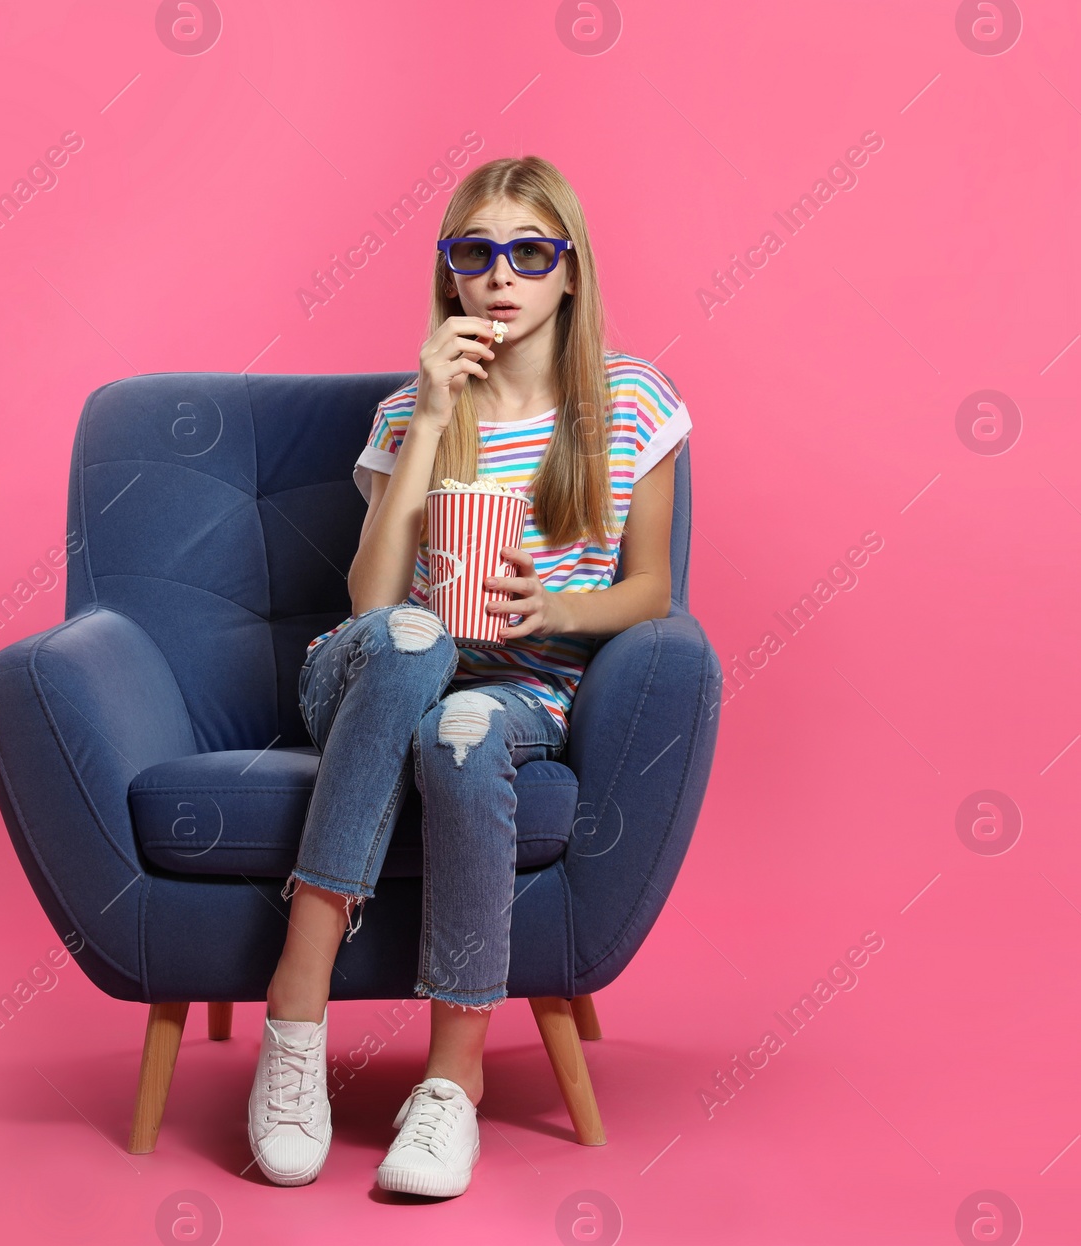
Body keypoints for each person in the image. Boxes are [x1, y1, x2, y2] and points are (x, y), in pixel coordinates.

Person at [247, 155, 693, 1197]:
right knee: (411, 640)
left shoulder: (629, 402)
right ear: (447, 273)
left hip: (518, 692)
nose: (502, 276)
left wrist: (559, 610)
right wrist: (435, 423)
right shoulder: (415, 407)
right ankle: (295, 1011)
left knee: (465, 731)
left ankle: (451, 1086)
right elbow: (367, 598)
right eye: (475, 252)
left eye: (530, 252)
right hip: (367, 671)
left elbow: (652, 590)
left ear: (569, 272)